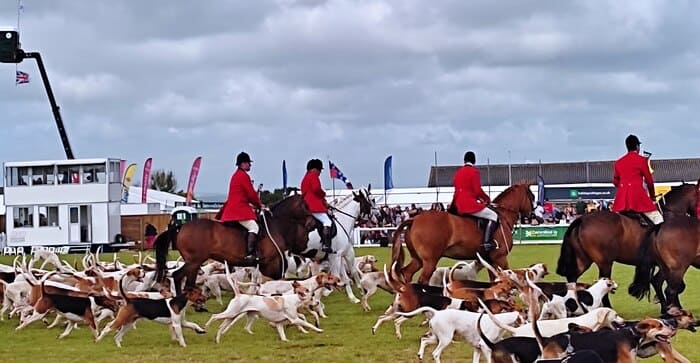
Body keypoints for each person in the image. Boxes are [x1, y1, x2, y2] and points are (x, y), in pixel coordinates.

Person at [218, 152, 265, 263]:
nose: (250, 165)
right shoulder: (243, 176)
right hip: (238, 209)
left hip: (232, 208)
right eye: (248, 163)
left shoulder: (236, 175)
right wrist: (259, 205)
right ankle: (250, 254)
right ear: (243, 163)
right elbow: (251, 194)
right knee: (254, 227)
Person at [452, 151, 498, 251]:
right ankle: (487, 243)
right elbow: (477, 190)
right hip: (468, 204)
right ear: (474, 161)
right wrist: (487, 199)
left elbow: (458, 191)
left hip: (457, 203)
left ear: (464, 160)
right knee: (493, 215)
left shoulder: (458, 172)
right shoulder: (474, 172)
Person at [612, 134, 663, 225]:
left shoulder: (618, 163)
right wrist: (652, 197)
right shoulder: (642, 160)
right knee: (658, 219)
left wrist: (624, 187)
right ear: (637, 146)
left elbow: (615, 182)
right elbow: (649, 182)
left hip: (621, 199)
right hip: (637, 197)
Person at [300, 159, 333, 254]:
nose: (320, 173)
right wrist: (323, 194)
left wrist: (324, 201)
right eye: (319, 170)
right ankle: (326, 245)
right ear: (315, 169)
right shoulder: (313, 176)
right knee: (327, 222)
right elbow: (316, 189)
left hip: (305, 204)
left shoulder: (305, 178)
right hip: (313, 205)